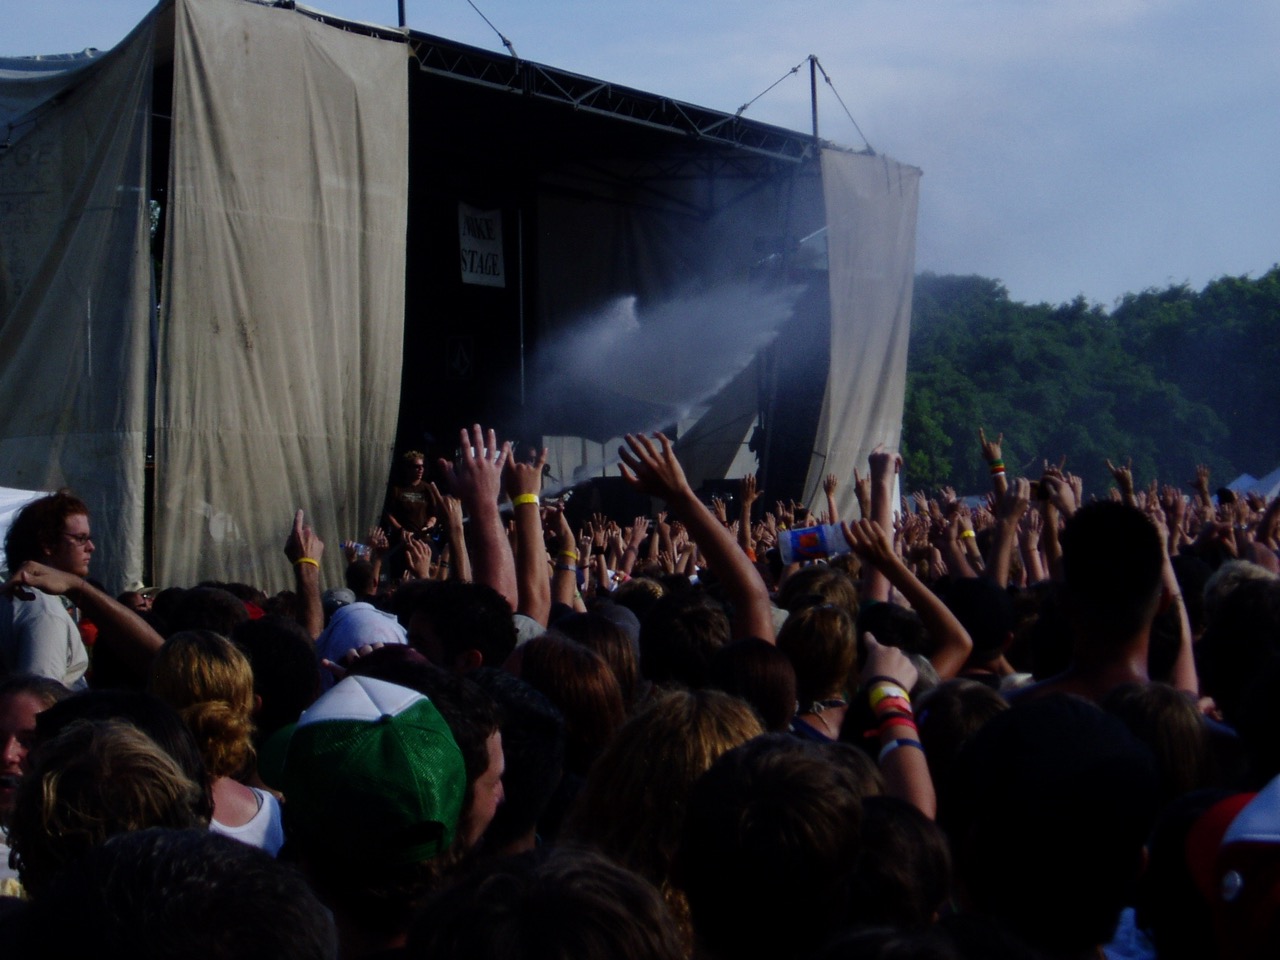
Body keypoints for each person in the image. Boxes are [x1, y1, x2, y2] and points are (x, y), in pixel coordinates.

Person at [1, 492, 163, 687]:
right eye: (80, 538)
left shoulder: (19, 601)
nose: (91, 547)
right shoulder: (44, 612)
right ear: (47, 544)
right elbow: (39, 698)